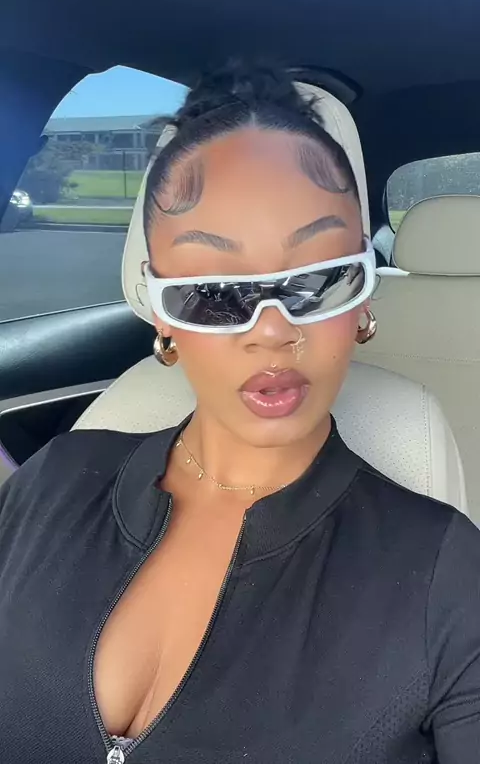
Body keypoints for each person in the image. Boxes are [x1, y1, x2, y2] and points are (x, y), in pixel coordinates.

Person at [1, 62, 480, 764]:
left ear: (363, 300)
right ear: (161, 313)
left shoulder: (445, 573)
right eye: (214, 292)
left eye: (319, 280)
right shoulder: (51, 482)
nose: (272, 331)